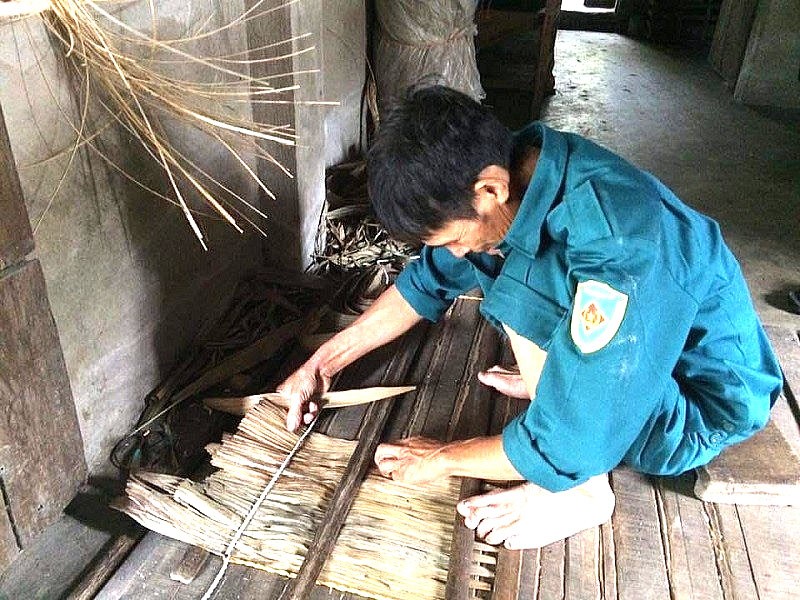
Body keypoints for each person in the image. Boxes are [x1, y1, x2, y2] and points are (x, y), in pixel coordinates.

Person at [277, 85, 783, 549]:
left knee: (525, 293)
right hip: (647, 358)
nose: (454, 254)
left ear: (491, 190)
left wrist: (440, 458)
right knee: (511, 267)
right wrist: (321, 365)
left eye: (452, 238)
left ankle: (582, 497)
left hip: (699, 410)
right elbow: (425, 283)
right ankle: (567, 373)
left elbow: (580, 436)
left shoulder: (621, 248)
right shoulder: (514, 169)